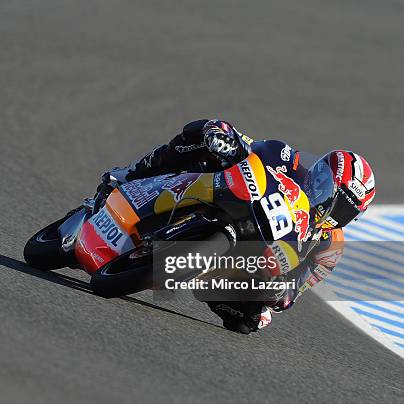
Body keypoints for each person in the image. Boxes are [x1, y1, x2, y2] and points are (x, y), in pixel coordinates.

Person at [106, 119, 376, 333]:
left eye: (344, 209)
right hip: (234, 202)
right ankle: (133, 173)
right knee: (203, 134)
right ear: (318, 174)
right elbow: (247, 146)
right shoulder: (287, 159)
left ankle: (203, 275)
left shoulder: (329, 247)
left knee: (253, 320)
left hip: (248, 268)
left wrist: (280, 291)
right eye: (327, 188)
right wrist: (225, 137)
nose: (329, 205)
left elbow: (295, 290)